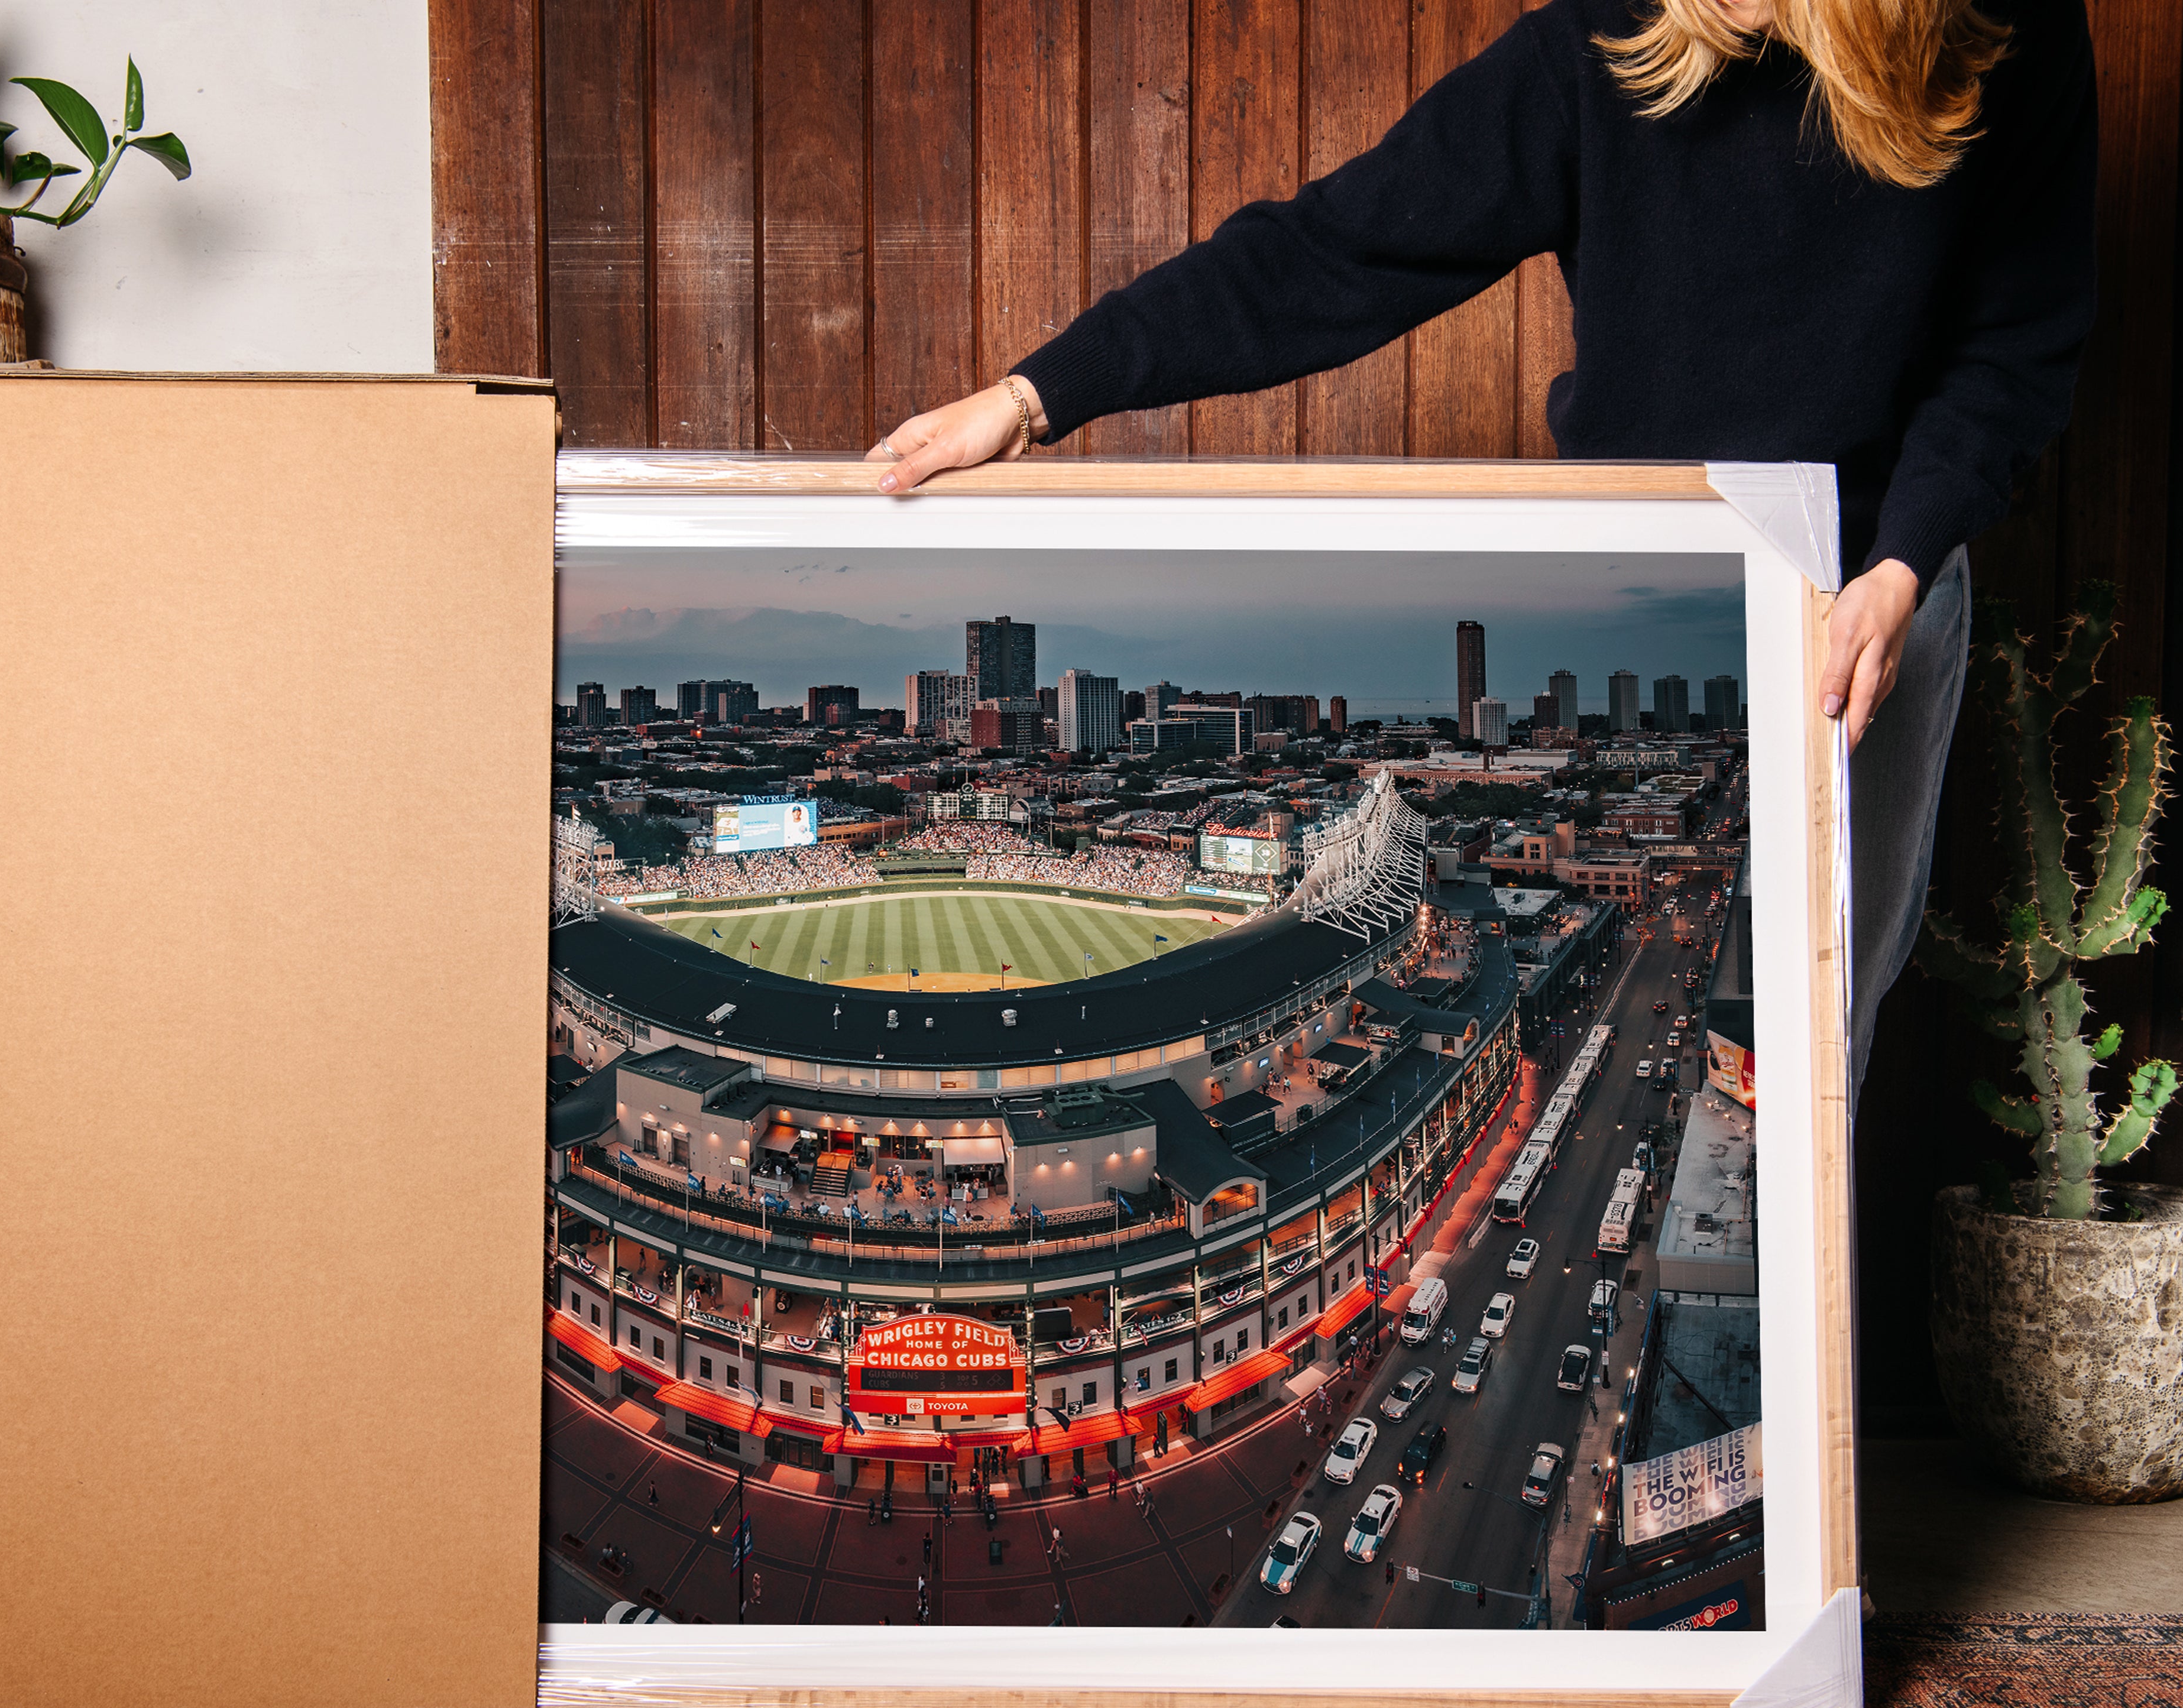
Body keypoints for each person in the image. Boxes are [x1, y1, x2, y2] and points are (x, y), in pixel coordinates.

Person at [869, 0, 2094, 1078]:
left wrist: (1899, 563)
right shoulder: (1596, 46)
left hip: (1874, 592)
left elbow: (2014, 351)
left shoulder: (2005, 30)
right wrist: (1034, 396)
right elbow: (1329, 252)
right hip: (1689, 574)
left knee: (1818, 1042)